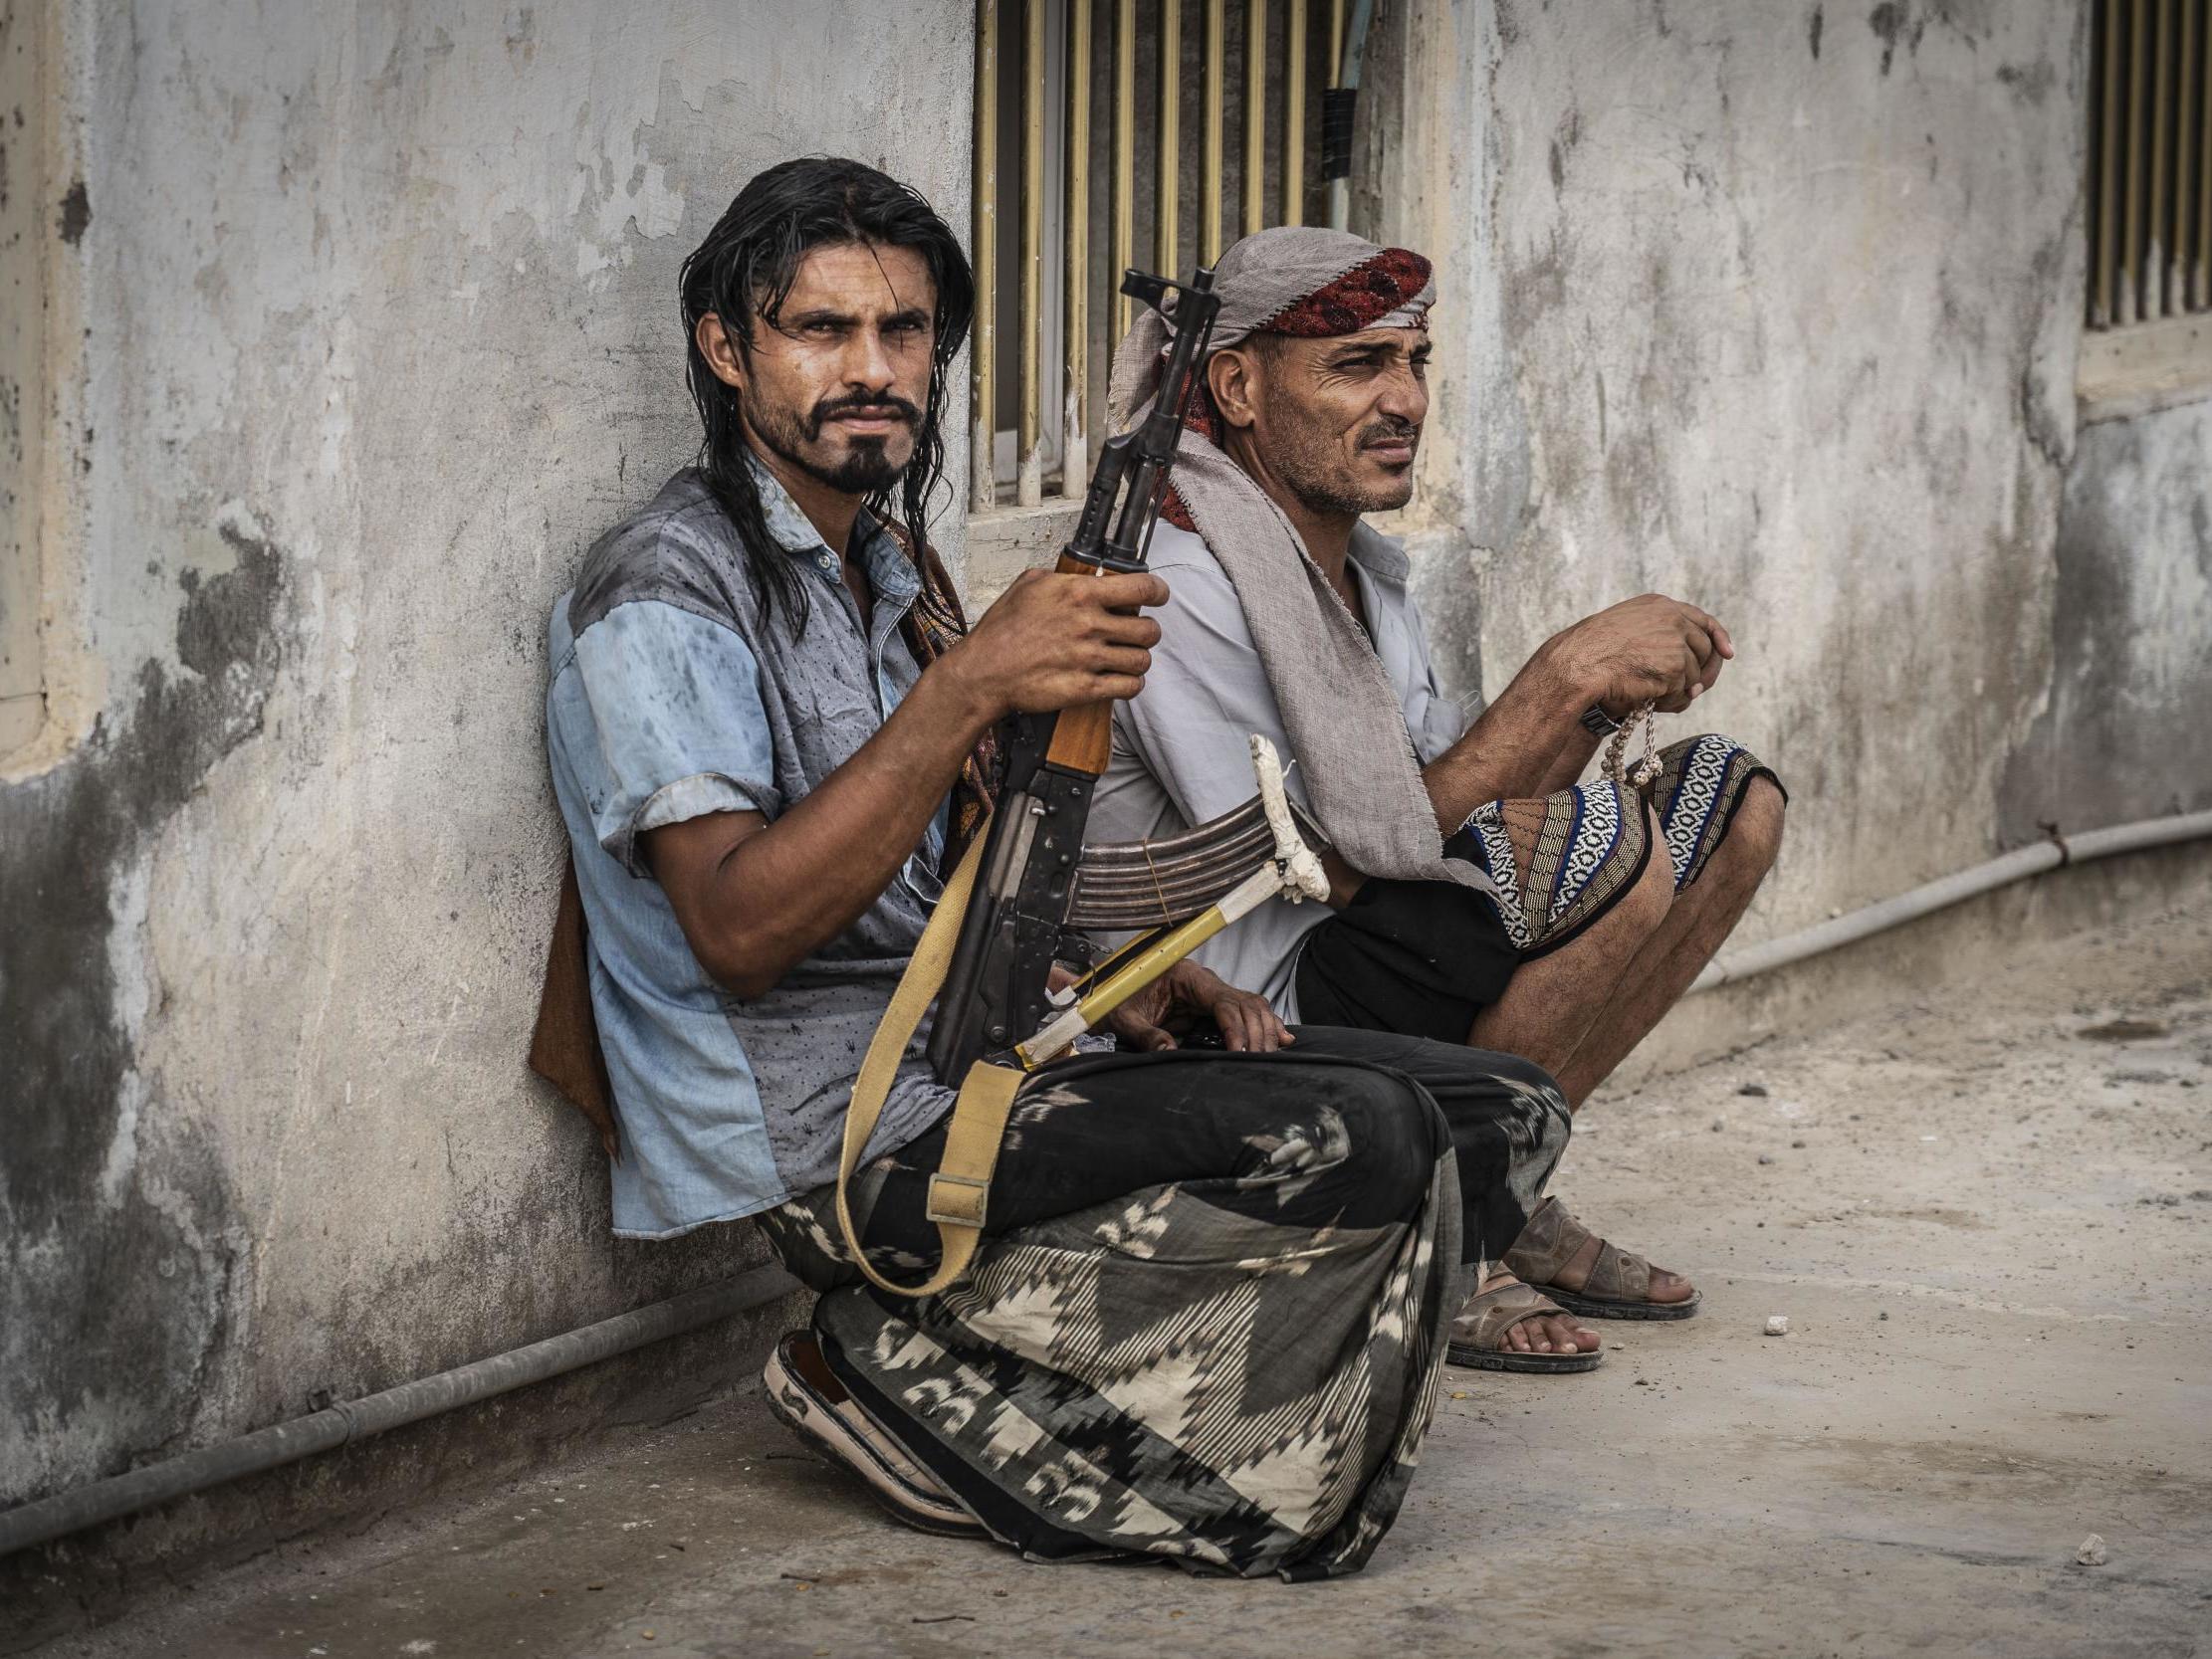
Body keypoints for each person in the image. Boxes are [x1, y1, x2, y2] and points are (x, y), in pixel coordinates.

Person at [537, 160, 1581, 1580]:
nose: (872, 370)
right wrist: (966, 686)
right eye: (821, 330)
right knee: (1364, 1140)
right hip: (836, 1138)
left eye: (903, 333)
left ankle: (995, 1341)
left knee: (1499, 1113)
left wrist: (1118, 985)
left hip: (981, 1055)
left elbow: (962, 878)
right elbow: (737, 926)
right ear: (728, 352)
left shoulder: (888, 570)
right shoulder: (666, 583)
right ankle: (904, 1359)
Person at [1088, 226, 1788, 1351]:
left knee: (1727, 805)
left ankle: (1500, 1192)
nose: (1404, 398)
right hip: (1242, 1003)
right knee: (1604, 848)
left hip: (1354, 935)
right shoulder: (1179, 580)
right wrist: (1559, 673)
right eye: (1356, 364)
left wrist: (1591, 708)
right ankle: (1444, 1237)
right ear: (1239, 386)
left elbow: (1438, 810)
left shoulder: (1360, 568)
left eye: (1413, 362)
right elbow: (1320, 864)